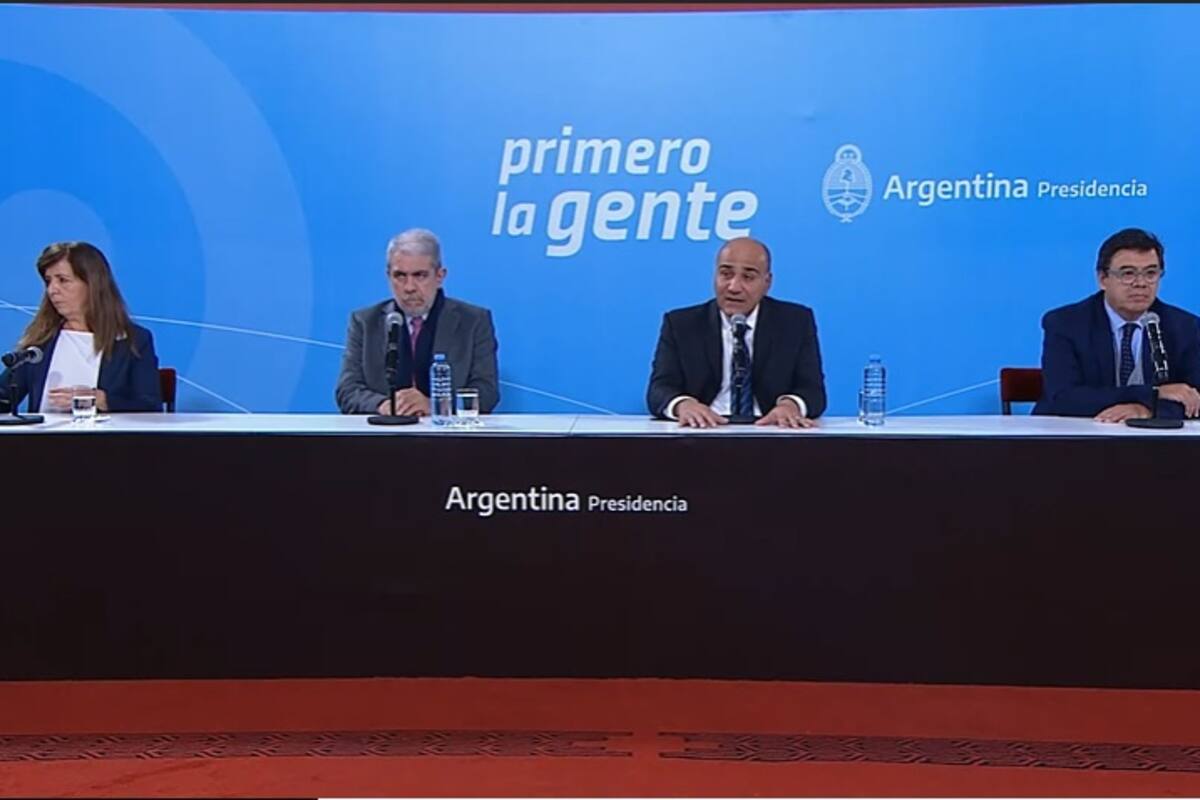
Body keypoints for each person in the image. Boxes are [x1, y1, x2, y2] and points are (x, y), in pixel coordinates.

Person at [646, 236, 827, 428]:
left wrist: (791, 405)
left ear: (767, 282)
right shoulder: (681, 324)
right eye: (726, 274)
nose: (734, 287)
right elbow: (659, 390)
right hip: (703, 432)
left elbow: (813, 391)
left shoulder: (795, 322)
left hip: (771, 431)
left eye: (748, 277)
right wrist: (683, 405)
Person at [1034, 227, 1200, 421]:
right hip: (1075, 440)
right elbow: (1064, 398)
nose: (1141, 283)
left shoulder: (1185, 327)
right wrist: (1149, 394)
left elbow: (1195, 398)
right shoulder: (1066, 323)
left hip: (1154, 444)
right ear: (1103, 279)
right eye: (1128, 274)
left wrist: (1147, 411)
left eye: (1151, 273)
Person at [336, 228, 500, 416]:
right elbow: (347, 390)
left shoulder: (473, 321)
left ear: (440, 276)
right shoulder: (365, 322)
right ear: (388, 276)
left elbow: (487, 392)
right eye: (400, 276)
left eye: (419, 275)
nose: (409, 287)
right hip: (383, 437)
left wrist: (435, 406)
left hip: (449, 438)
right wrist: (384, 405)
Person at [0, 242, 161, 414]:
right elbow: (3, 397)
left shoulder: (133, 340)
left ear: (92, 285)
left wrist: (103, 400)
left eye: (63, 280)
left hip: (105, 439)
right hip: (43, 439)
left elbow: (150, 405)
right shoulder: (41, 341)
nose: (52, 290)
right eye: (49, 281)